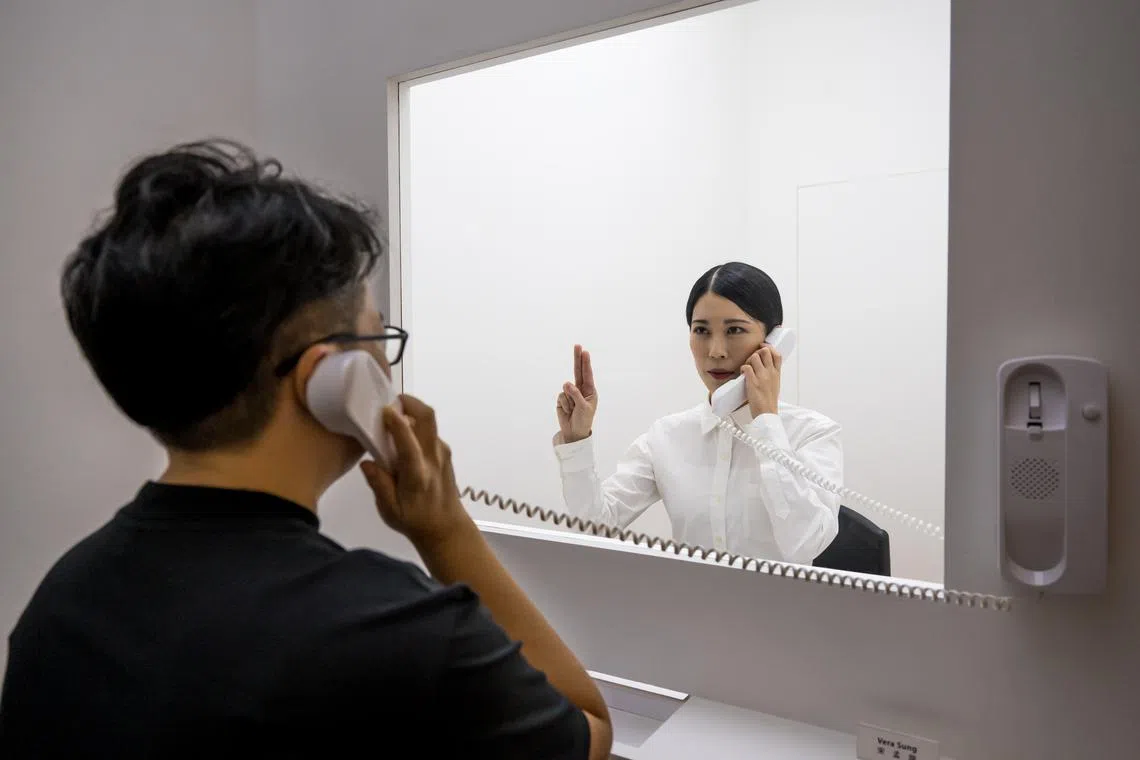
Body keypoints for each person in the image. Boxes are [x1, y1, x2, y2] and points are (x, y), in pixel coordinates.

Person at [0, 140, 612, 759]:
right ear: (330, 377)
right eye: (376, 339)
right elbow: (586, 730)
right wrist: (446, 529)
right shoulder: (395, 631)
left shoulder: (60, 604)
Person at [553, 262, 842, 563]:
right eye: (701, 330)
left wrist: (766, 422)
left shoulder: (813, 433)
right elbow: (594, 529)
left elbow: (807, 543)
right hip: (687, 595)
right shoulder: (667, 436)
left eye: (734, 330)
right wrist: (576, 442)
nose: (716, 351)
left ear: (773, 341)